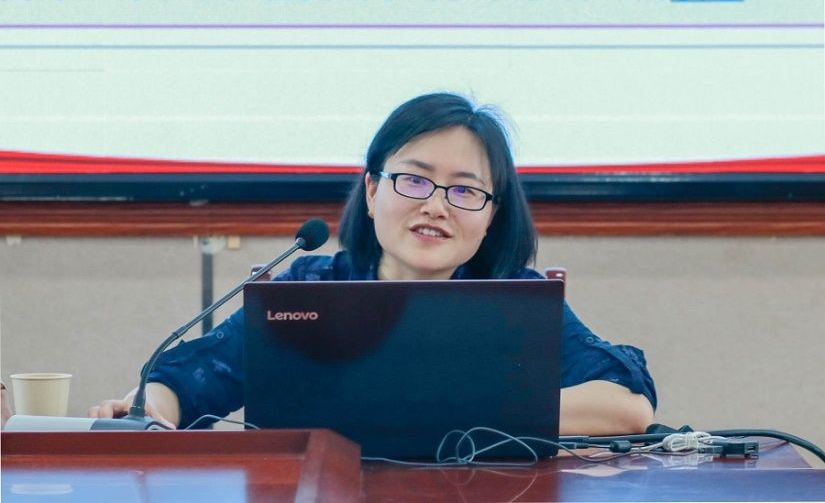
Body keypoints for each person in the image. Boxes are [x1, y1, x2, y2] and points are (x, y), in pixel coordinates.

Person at [89, 92, 656, 435]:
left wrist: (444, 409)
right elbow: (190, 378)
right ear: (372, 191)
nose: (436, 206)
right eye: (414, 180)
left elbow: (626, 405)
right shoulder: (313, 290)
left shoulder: (516, 301)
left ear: (491, 216)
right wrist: (148, 409)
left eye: (465, 190)